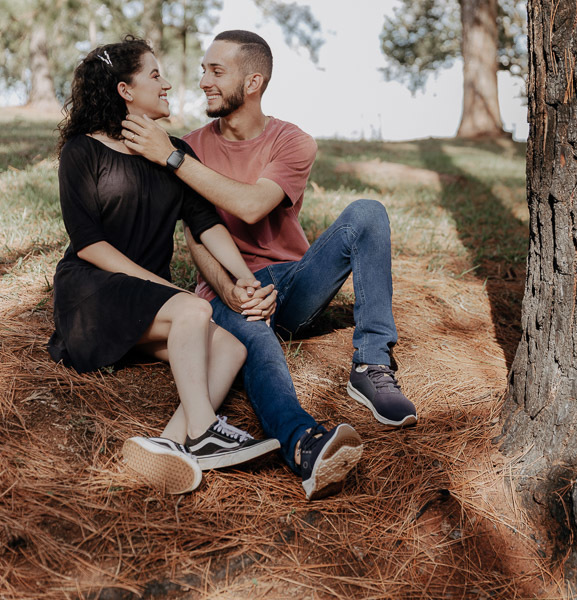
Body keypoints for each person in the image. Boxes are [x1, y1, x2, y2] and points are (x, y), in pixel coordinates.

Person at [121, 30, 416, 500]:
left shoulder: (291, 141)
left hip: (292, 285)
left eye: (216, 71)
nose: (202, 82)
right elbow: (197, 237)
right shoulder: (193, 143)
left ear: (253, 81)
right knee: (253, 333)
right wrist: (230, 288)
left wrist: (173, 158)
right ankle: (304, 443)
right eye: (203, 70)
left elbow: (252, 205)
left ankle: (373, 364)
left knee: (367, 214)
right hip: (226, 291)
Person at [49, 37, 280, 495]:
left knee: (232, 348)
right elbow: (89, 245)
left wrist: (246, 278)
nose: (169, 83)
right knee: (196, 310)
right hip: (91, 298)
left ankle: (168, 445)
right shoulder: (82, 151)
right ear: (125, 90)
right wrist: (167, 290)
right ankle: (205, 432)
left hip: (148, 309)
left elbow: (206, 224)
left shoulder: (173, 152)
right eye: (155, 75)